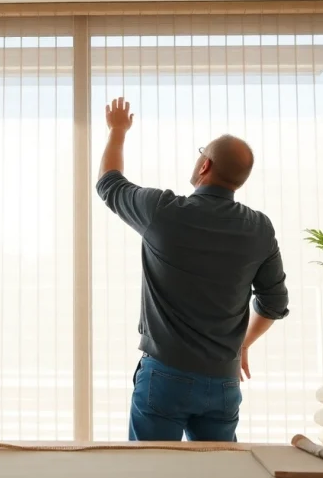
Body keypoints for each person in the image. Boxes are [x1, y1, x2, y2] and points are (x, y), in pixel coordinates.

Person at [95, 97, 289, 442]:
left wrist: (118, 131)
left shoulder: (163, 211)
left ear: (205, 165)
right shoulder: (259, 227)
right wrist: (244, 344)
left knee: (152, 471)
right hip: (224, 383)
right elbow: (274, 303)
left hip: (165, 377)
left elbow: (108, 184)